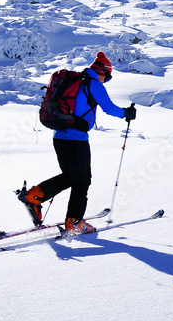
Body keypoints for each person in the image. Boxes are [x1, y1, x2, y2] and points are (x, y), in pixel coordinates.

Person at [17, 51, 137, 234]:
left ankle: (34, 196)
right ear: (103, 71)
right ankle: (74, 221)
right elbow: (110, 109)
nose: (107, 81)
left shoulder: (77, 81)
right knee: (82, 181)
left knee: (70, 177)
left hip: (59, 136)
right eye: (108, 77)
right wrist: (126, 113)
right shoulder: (93, 84)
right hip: (76, 140)